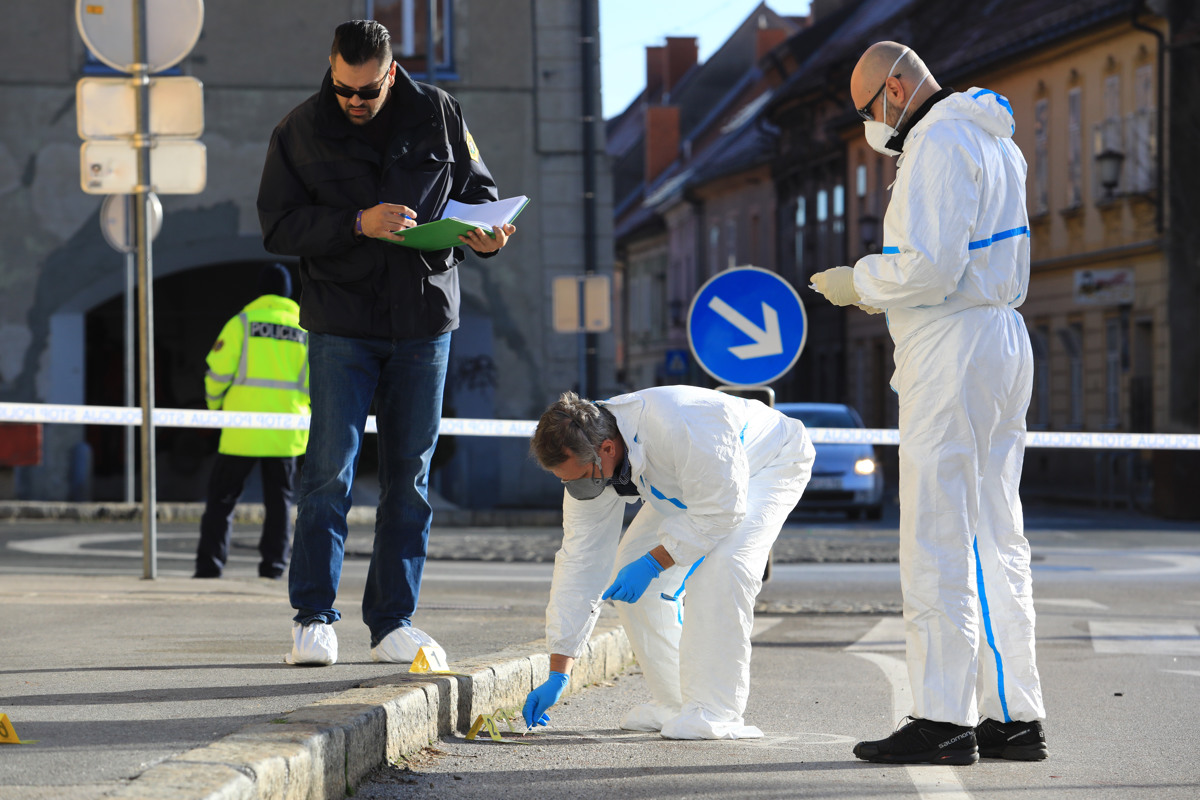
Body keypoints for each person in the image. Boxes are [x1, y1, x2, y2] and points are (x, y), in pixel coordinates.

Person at [811, 41, 1047, 765]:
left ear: (896, 87)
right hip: (1000, 339)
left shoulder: (939, 139)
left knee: (938, 532)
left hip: (954, 345)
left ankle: (942, 716)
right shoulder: (989, 137)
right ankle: (1012, 715)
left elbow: (931, 266)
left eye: (866, 110)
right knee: (993, 533)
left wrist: (861, 280)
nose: (870, 128)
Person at [256, 20, 516, 667]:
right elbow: (277, 224)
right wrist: (356, 222)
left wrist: (487, 233)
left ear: (391, 72)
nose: (354, 102)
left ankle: (393, 623)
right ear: (331, 69)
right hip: (341, 322)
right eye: (344, 89)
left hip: (425, 321)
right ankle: (312, 617)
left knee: (411, 478)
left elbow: (479, 194)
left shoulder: (439, 112)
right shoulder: (298, 129)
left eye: (366, 91)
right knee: (328, 473)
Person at [522, 387, 814, 739]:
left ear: (608, 450)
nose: (582, 490)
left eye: (583, 480)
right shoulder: (593, 461)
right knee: (627, 567)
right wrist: (559, 670)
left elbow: (721, 512)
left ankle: (715, 712)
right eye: (569, 484)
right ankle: (677, 702)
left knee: (722, 569)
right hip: (692, 482)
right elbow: (580, 563)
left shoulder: (683, 424)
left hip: (768, 463)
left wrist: (654, 563)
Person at [194, 263, 309, 580]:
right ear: (287, 293)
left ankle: (210, 567)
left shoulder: (242, 323)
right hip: (286, 431)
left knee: (222, 499)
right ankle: (273, 566)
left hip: (242, 427)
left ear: (260, 291)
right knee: (280, 503)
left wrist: (216, 407)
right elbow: (319, 382)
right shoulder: (305, 328)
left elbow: (217, 372)